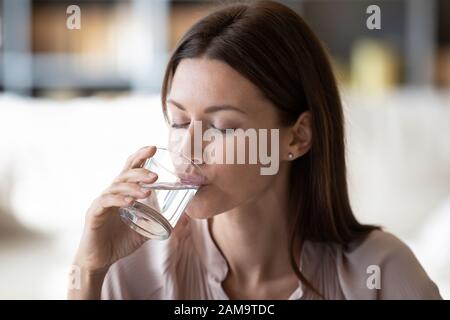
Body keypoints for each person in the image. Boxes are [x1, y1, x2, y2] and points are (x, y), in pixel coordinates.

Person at [68, 0, 441, 300]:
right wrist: (88, 272)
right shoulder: (136, 266)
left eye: (222, 127)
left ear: (297, 137)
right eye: (179, 122)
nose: (189, 149)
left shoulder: (382, 274)